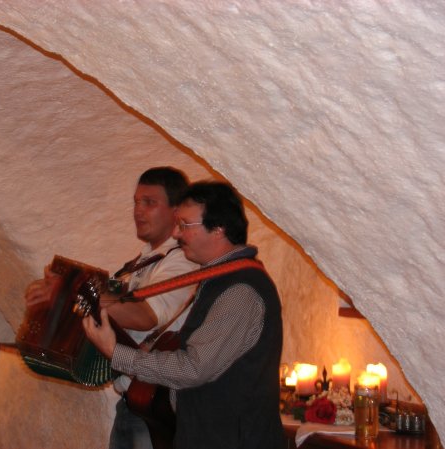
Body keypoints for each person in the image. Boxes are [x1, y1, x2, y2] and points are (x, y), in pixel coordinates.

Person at [83, 181, 287, 449]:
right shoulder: (218, 279)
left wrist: (116, 352)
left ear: (218, 229)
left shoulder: (241, 289)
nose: (176, 233)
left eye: (185, 225)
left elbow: (193, 368)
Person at [25, 167, 198, 449]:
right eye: (136, 202)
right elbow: (113, 311)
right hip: (133, 402)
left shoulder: (182, 262)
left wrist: (71, 290)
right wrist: (60, 300)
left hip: (156, 407)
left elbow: (144, 316)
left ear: (176, 211)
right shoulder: (141, 263)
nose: (138, 211)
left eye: (149, 202)